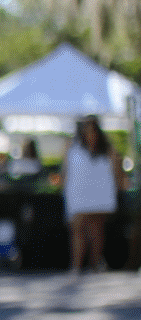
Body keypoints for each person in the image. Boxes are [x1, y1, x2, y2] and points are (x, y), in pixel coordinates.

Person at [61, 114, 123, 273]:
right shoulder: (72, 148)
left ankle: (94, 264)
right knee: (78, 230)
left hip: (99, 196)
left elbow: (117, 169)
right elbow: (65, 172)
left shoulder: (106, 149)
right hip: (79, 196)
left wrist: (116, 188)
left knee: (96, 230)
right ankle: (76, 265)